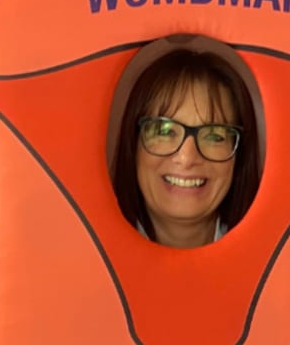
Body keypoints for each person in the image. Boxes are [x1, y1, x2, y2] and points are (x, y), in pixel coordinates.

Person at [111, 48, 261, 248]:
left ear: (238, 155)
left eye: (214, 135)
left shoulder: (280, 268)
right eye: (164, 131)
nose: (187, 157)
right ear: (133, 144)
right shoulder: (84, 263)